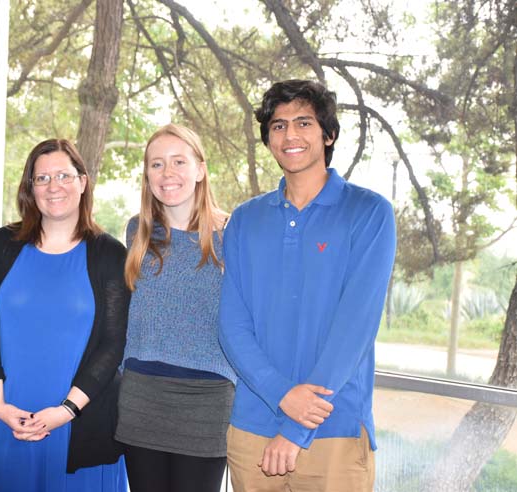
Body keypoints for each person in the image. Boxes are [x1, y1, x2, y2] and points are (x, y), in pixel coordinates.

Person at [219, 79, 396, 492]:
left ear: (328, 134)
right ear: (268, 140)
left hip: (334, 430)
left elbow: (354, 330)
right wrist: (283, 395)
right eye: (278, 126)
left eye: (304, 123)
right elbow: (232, 324)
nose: (290, 135)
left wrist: (297, 425)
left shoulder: (369, 213)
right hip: (252, 428)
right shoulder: (244, 220)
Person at [0, 138, 129, 492]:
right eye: (42, 178)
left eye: (64, 175)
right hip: (1, 412)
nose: (54, 186)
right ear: (30, 189)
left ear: (82, 182)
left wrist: (65, 411)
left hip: (77, 418)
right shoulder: (1, 245)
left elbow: (113, 343)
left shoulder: (110, 254)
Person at [115, 123, 236, 492]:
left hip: (206, 399)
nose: (167, 173)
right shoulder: (138, 230)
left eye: (179, 161)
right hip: (141, 395)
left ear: (200, 169)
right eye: (156, 164)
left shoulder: (232, 234)